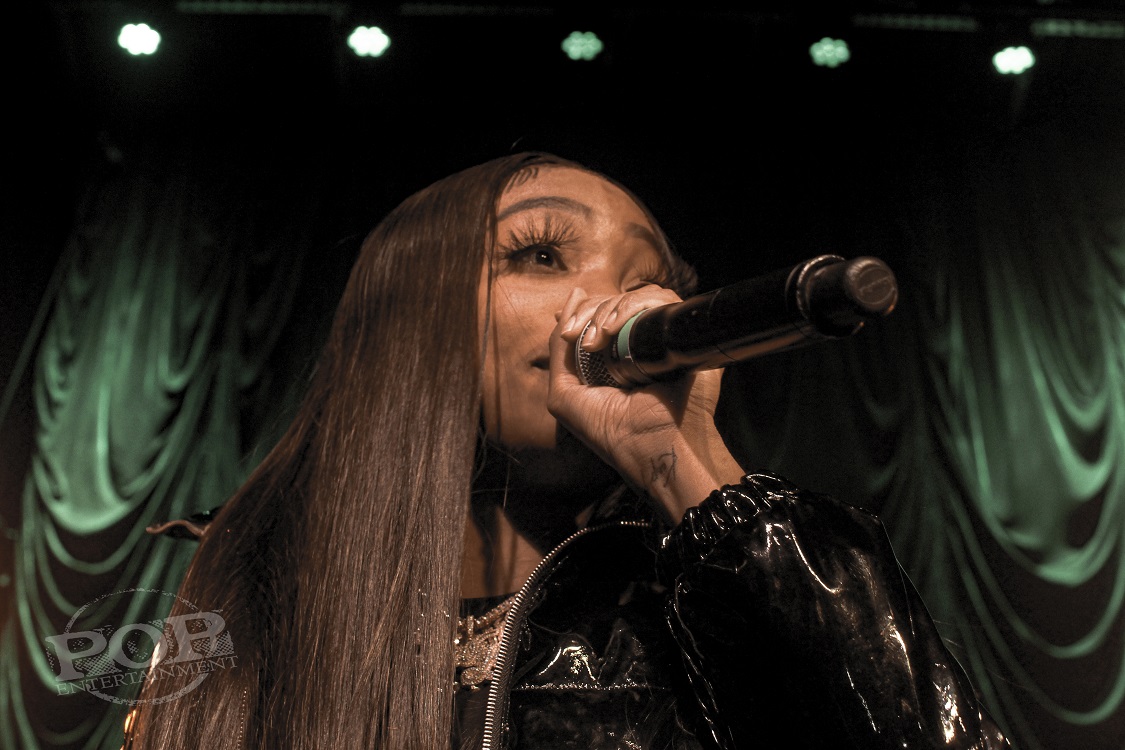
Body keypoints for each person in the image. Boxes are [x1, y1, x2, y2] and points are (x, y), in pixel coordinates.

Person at [127, 153, 1009, 749]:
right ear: (404, 324)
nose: (610, 305)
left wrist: (687, 466)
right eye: (542, 253)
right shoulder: (243, 596)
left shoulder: (704, 616)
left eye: (646, 280)